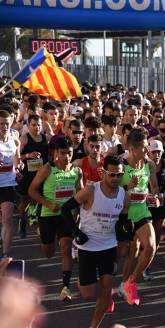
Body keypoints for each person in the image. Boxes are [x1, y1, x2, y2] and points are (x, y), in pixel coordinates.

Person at [61, 156, 130, 328]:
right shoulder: (91, 191)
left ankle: (94, 326)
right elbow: (65, 209)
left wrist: (126, 235)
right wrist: (76, 232)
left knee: (106, 289)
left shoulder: (124, 196)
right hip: (87, 247)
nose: (115, 179)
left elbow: (122, 223)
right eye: (112, 175)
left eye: (119, 175)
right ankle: (83, 281)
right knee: (88, 295)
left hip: (109, 246)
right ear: (104, 173)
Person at [28, 136, 83, 302]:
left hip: (66, 216)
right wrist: (48, 204)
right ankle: (43, 236)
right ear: (56, 153)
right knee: (49, 253)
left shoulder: (76, 171)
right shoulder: (47, 169)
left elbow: (80, 194)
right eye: (63, 153)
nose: (67, 156)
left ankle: (65, 288)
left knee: (66, 248)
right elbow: (32, 190)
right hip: (47, 215)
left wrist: (77, 212)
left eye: (70, 153)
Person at [118, 128, 160, 306]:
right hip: (124, 215)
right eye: (143, 148)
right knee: (127, 253)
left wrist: (155, 196)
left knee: (150, 247)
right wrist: (127, 187)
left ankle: (131, 282)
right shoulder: (121, 166)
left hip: (142, 212)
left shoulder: (148, 164)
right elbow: (111, 192)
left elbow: (154, 186)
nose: (147, 151)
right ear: (133, 149)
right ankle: (122, 283)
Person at [17, 114, 49, 239]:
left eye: (39, 125)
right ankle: (22, 221)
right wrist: (28, 155)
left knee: (41, 200)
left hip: (41, 175)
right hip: (27, 175)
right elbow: (16, 157)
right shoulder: (24, 139)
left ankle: (41, 227)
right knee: (25, 201)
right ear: (28, 126)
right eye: (34, 125)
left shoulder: (44, 138)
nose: (36, 127)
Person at [0, 109, 22, 257]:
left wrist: (19, 170)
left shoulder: (15, 139)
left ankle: (5, 255)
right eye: (1, 124)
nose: (4, 126)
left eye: (6, 123)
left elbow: (17, 161)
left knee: (7, 219)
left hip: (8, 184)